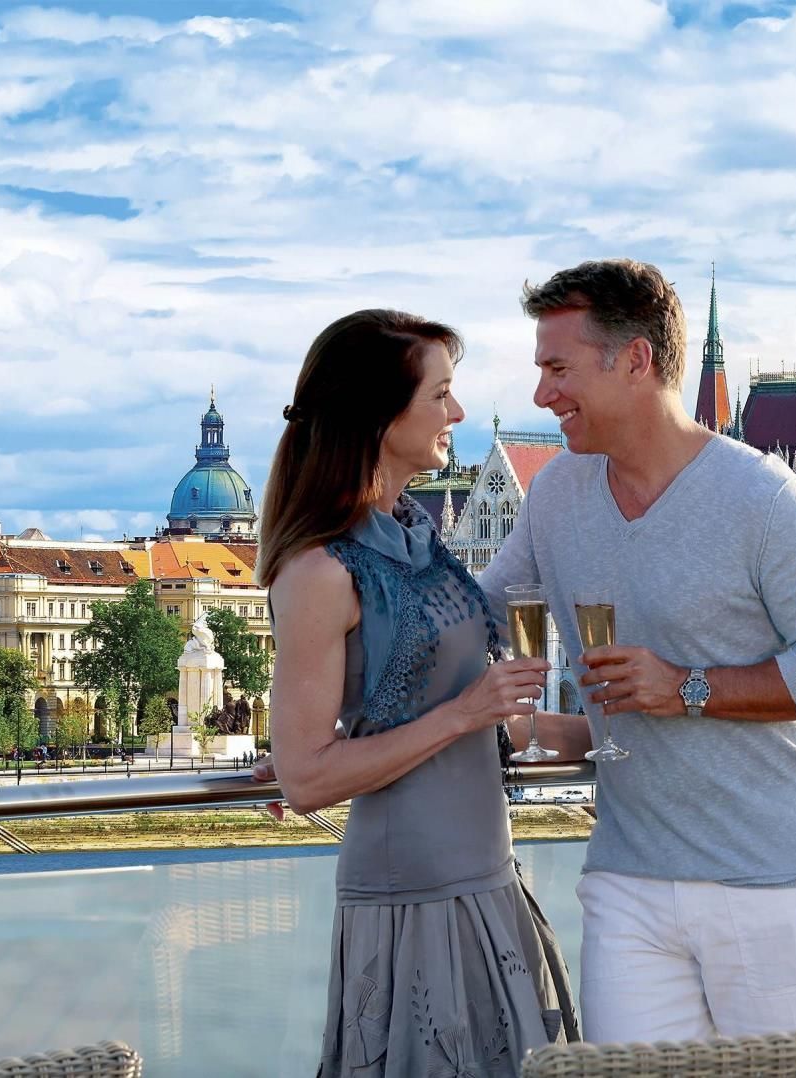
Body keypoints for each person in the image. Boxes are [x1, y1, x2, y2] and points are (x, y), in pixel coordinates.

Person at [482, 259, 796, 1043]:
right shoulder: (558, 495)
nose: (542, 394)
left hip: (778, 882)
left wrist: (686, 688)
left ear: (635, 360)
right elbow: (468, 620)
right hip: (628, 880)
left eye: (558, 368)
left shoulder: (762, 498)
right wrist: (329, 716)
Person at [256, 309, 580, 1076]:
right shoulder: (318, 573)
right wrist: (464, 712)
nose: (458, 414)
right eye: (440, 396)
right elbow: (305, 778)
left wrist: (613, 727)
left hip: (489, 883)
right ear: (379, 413)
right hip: (411, 900)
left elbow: (483, 724)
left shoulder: (419, 540)